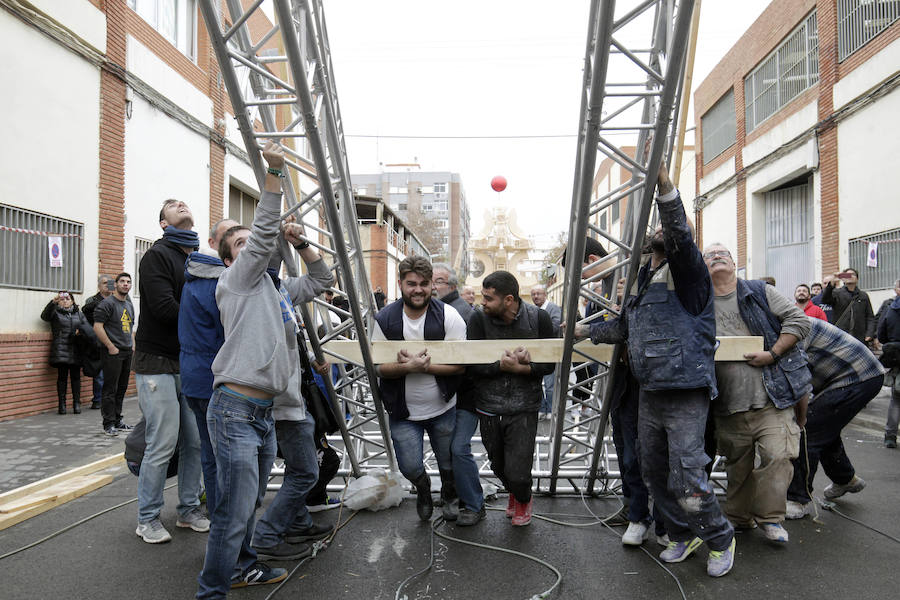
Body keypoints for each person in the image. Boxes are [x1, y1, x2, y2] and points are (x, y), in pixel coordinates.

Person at [576, 162, 735, 577]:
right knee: (653, 470)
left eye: (668, 233)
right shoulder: (645, 279)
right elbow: (626, 326)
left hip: (684, 390)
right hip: (652, 391)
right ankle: (681, 533)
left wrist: (665, 189)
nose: (664, 236)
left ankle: (720, 538)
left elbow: (679, 236)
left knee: (688, 474)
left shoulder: (690, 275)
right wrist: (583, 330)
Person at [197, 141, 334, 597]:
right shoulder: (235, 281)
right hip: (235, 409)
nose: (249, 245)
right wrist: (274, 172)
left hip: (261, 414)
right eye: (238, 243)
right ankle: (212, 590)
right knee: (233, 512)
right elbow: (261, 237)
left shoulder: (274, 288)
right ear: (230, 258)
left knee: (249, 503)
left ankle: (243, 565)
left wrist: (303, 244)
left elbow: (321, 281)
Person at [704, 243, 811, 544]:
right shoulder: (699, 300)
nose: (716, 257)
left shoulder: (758, 292)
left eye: (722, 253)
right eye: (709, 255)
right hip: (727, 402)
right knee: (738, 467)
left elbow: (799, 321)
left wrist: (773, 353)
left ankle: (771, 519)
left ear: (734, 261)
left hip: (771, 400)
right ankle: (739, 519)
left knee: (778, 457)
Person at [372, 256, 467, 523]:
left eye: (424, 284)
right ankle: (423, 489)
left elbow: (460, 367)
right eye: (411, 283)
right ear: (400, 283)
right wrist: (407, 368)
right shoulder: (384, 319)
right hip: (403, 411)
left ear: (432, 287)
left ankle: (449, 494)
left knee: (447, 461)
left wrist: (424, 368)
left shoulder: (449, 315)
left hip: (443, 407)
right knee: (409, 466)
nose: (418, 289)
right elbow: (378, 367)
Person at [133, 198, 205, 544]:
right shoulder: (156, 256)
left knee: (195, 442)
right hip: (156, 363)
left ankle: (189, 511)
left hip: (188, 362)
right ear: (164, 224)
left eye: (183, 202)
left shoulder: (197, 258)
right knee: (162, 442)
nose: (180, 204)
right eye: (171, 206)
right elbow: (164, 309)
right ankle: (147, 518)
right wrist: (206, 322)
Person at [468, 270, 554, 527]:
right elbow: (471, 365)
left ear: (508, 299)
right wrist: (500, 367)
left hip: (523, 406)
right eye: (483, 297)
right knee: (497, 465)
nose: (483, 302)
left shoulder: (539, 318)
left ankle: (523, 497)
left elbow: (549, 364)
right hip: (489, 405)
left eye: (488, 298)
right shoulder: (478, 319)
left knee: (518, 469)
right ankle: (515, 492)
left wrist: (522, 368)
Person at [786, 318, 885, 518]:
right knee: (825, 429)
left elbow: (798, 378)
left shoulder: (790, 327)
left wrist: (800, 416)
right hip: (859, 374)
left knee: (809, 432)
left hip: (858, 376)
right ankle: (846, 479)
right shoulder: (786, 320)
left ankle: (798, 499)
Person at [178, 218, 239, 518]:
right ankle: (224, 525)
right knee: (220, 458)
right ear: (215, 245)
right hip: (211, 380)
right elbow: (232, 330)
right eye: (231, 237)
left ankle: (221, 522)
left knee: (213, 454)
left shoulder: (202, 276)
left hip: (200, 377)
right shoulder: (213, 282)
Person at [431, 262, 484, 526]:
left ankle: (473, 504)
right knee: (449, 450)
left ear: (452, 285)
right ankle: (456, 497)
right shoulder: (440, 309)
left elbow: (469, 360)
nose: (432, 286)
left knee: (458, 449)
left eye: (438, 281)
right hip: (450, 394)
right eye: (431, 281)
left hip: (464, 394)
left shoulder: (461, 312)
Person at [92, 274, 135, 435]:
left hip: (126, 351)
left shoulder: (129, 305)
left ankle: (118, 420)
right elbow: (97, 327)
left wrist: (132, 345)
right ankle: (108, 423)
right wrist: (111, 346)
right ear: (115, 284)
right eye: (122, 281)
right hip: (113, 352)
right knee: (110, 388)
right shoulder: (107, 304)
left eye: (128, 282)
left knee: (122, 388)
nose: (125, 284)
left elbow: (130, 328)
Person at [41, 291, 90, 415]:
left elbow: (87, 328)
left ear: (72, 301)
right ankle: (61, 405)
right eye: (62, 299)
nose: (65, 301)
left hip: (76, 349)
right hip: (61, 349)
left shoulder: (79, 314)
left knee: (76, 377)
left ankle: (76, 404)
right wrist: (53, 302)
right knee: (62, 377)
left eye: (68, 298)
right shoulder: (55, 312)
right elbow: (44, 316)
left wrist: (81, 333)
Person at [82, 274, 114, 409]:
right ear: (99, 285)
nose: (108, 285)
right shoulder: (92, 300)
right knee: (100, 373)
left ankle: (110, 399)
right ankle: (98, 399)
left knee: (113, 373)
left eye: (110, 283)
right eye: (105, 283)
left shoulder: (118, 299)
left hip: (114, 340)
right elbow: (85, 320)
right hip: (98, 341)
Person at [530, 284, 561, 420]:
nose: (536, 296)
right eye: (533, 294)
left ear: (545, 295)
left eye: (539, 294)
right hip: (536, 352)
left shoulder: (553, 309)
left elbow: (556, 327)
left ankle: (552, 410)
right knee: (536, 383)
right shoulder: (531, 310)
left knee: (550, 385)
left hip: (550, 352)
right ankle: (542, 409)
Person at [822, 268, 877, 344]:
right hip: (841, 335)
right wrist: (831, 284)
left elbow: (870, 316)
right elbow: (825, 300)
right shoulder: (837, 293)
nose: (850, 276)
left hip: (859, 336)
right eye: (848, 275)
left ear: (857, 279)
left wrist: (870, 333)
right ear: (843, 279)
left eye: (853, 274)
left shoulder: (863, 296)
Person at [878, 279, 900, 448]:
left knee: (896, 398)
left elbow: (881, 333)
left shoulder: (890, 308)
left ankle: (890, 436)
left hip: (896, 357)